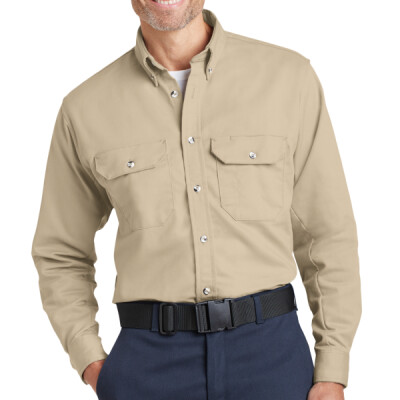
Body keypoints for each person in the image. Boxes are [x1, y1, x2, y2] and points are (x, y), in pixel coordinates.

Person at [31, 1, 362, 399]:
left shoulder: (289, 79)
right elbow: (60, 252)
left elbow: (326, 233)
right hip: (148, 365)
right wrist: (91, 361)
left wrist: (332, 368)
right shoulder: (85, 109)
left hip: (271, 357)